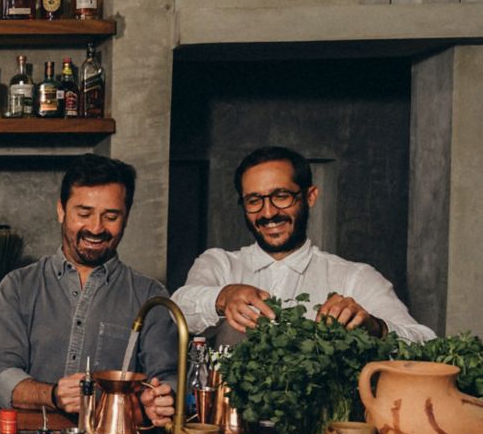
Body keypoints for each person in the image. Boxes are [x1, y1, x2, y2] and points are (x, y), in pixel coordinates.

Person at [0, 155, 177, 424]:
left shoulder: (150, 295)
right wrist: (52, 395)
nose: (96, 228)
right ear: (61, 210)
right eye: (84, 214)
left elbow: (168, 377)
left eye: (110, 216)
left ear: (126, 217)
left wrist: (159, 399)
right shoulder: (18, 287)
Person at [173, 146, 434, 342]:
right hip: (226, 414)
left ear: (310, 197)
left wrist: (376, 327)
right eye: (254, 200)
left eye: (281, 196)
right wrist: (222, 296)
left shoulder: (355, 277)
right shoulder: (219, 264)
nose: (268, 213)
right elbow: (177, 310)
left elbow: (424, 341)